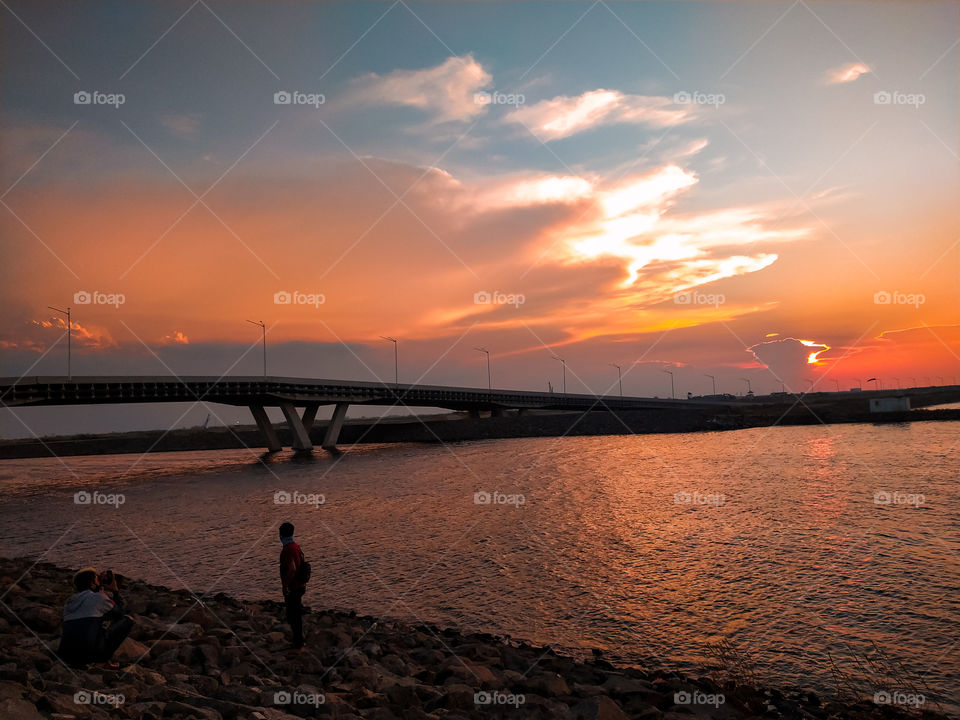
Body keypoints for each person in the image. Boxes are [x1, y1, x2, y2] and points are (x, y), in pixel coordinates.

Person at [58, 567, 134, 667]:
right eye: (97, 579)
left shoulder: (69, 601)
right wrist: (115, 591)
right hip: (91, 655)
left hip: (66, 656)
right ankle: (102, 660)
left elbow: (95, 614)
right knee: (128, 620)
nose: (101, 581)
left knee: (96, 623)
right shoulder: (99, 598)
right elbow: (120, 613)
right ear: (92, 584)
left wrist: (99, 588)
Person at [278, 522, 307, 650]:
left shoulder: (288, 549)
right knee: (296, 614)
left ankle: (298, 643)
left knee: (292, 615)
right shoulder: (296, 546)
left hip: (294, 587)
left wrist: (285, 586)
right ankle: (299, 640)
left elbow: (292, 569)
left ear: (281, 535)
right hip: (300, 585)